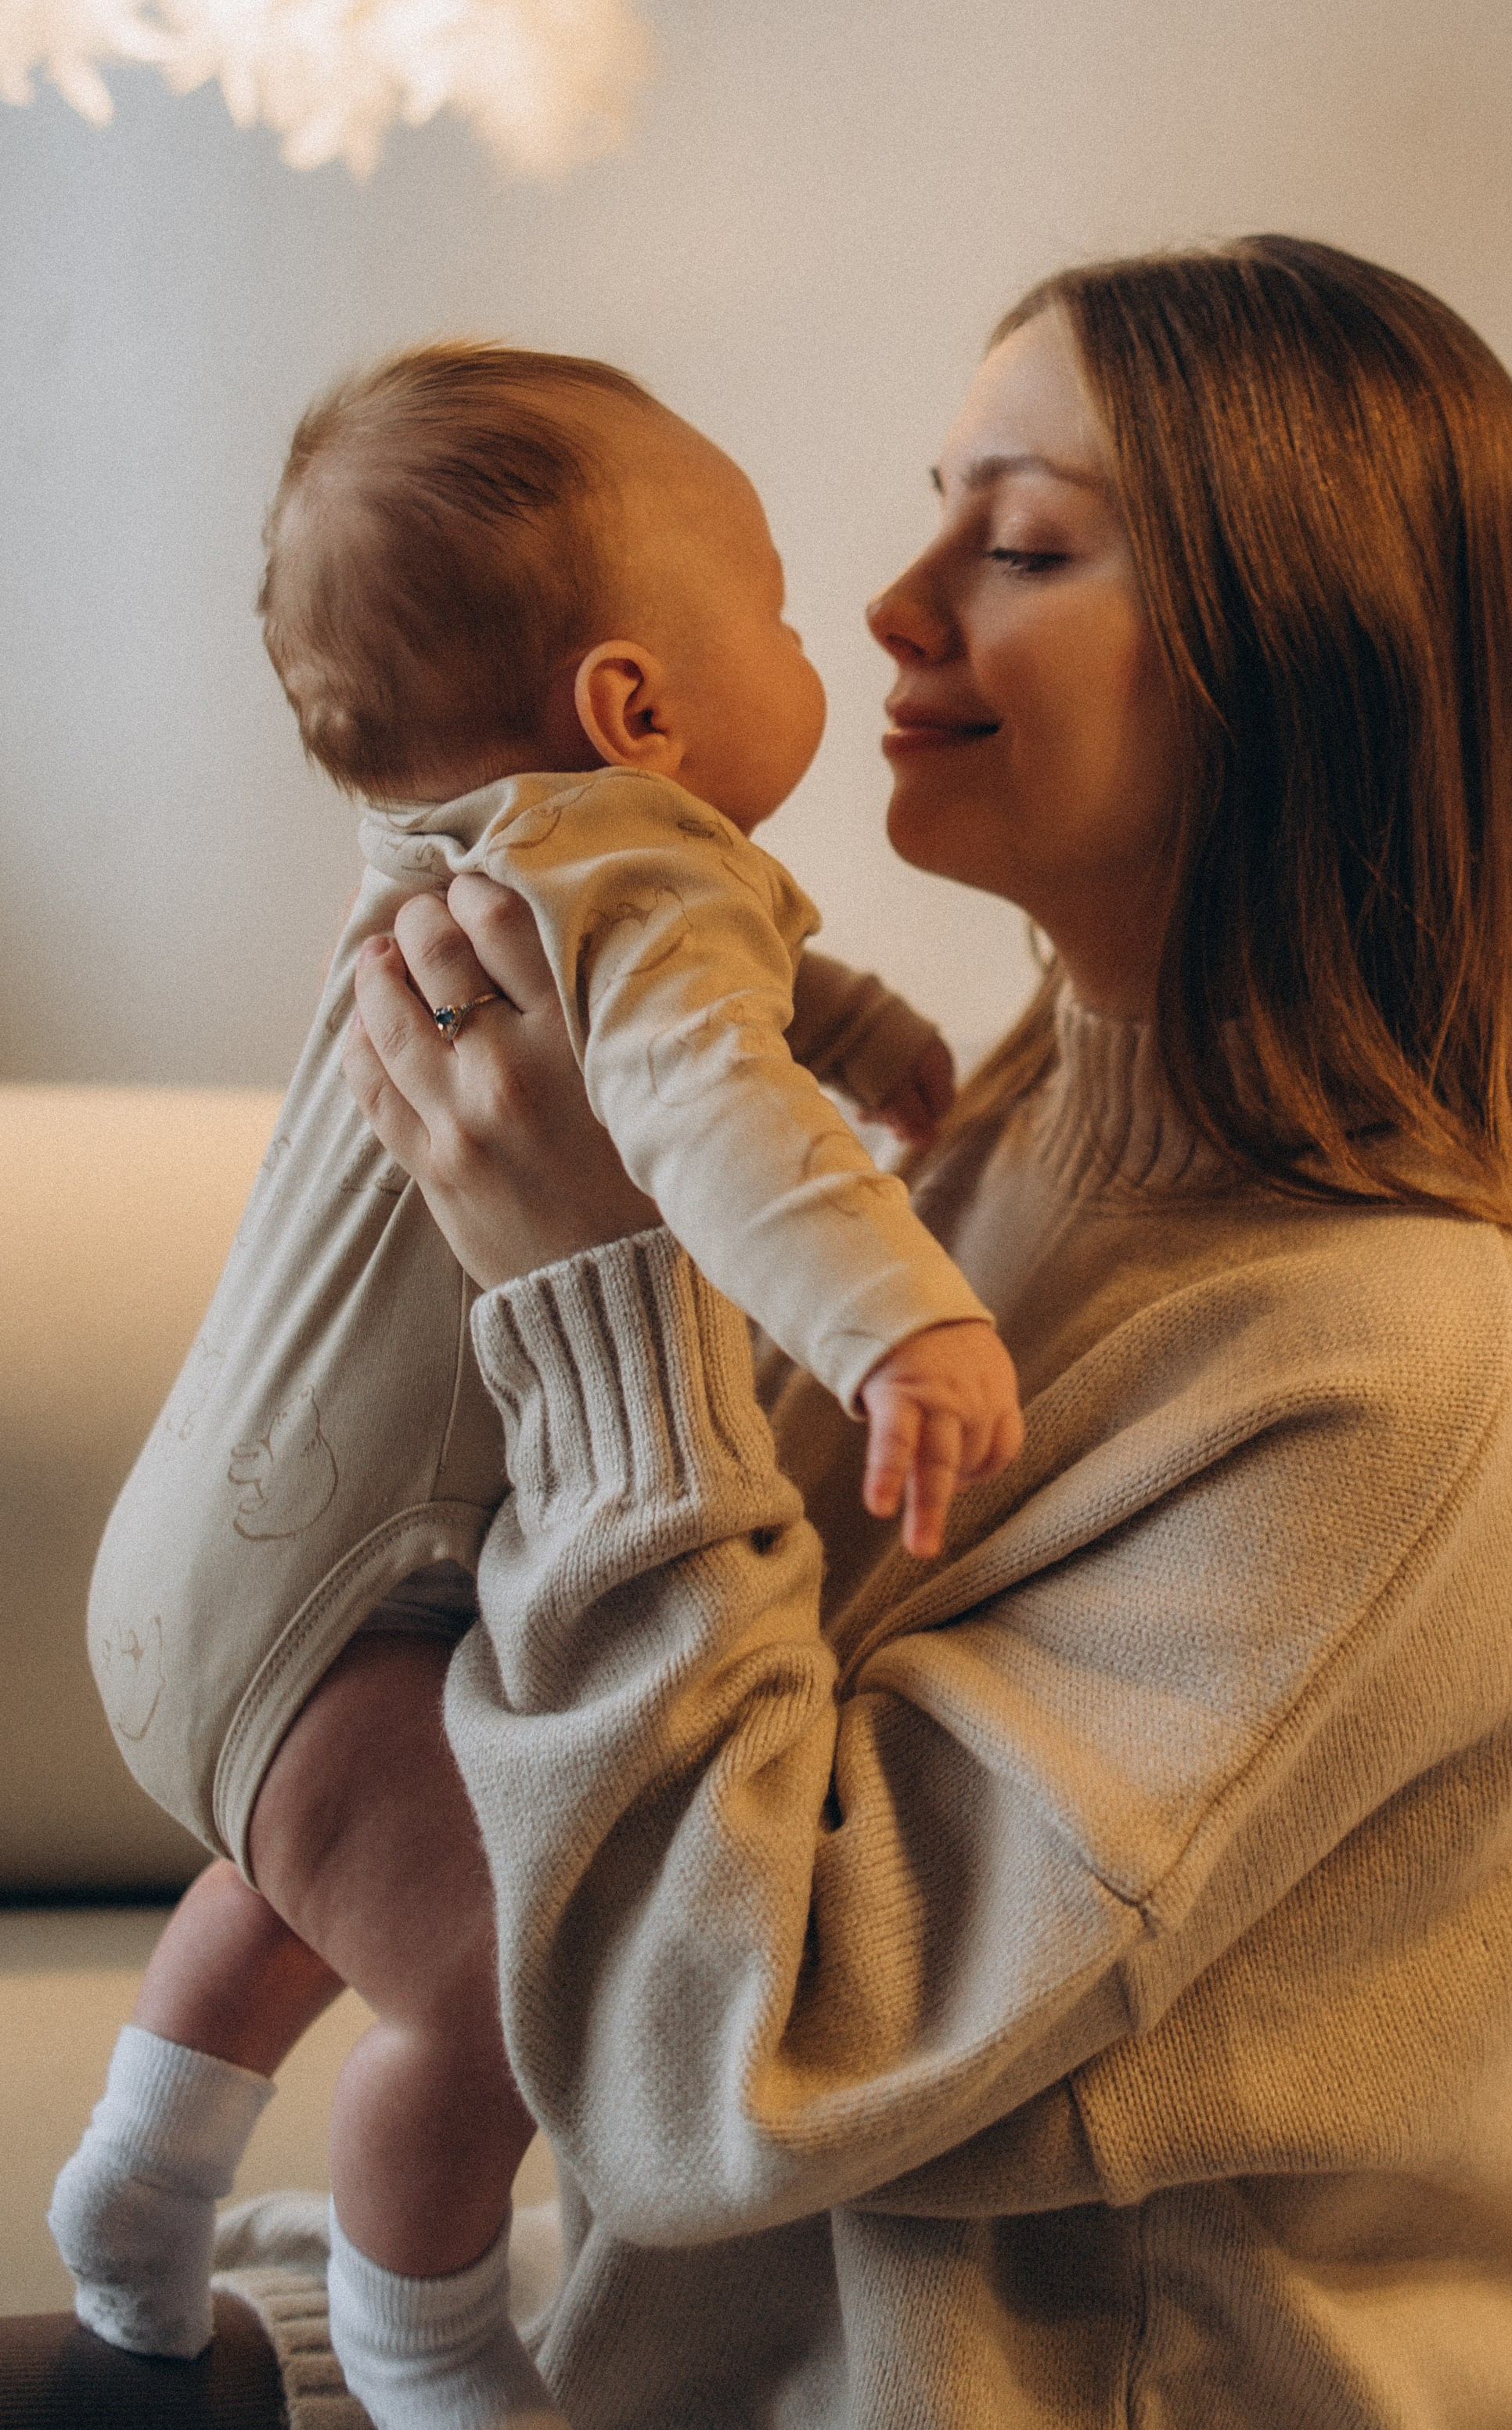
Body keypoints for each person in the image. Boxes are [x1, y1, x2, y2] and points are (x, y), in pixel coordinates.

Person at [296, 236, 1512, 2430]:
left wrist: (592, 1300)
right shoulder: (973, 1139)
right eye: (944, 507)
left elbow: (730, 2056)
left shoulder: (1401, 1373)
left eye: (1019, 539)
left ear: (1290, 659)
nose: (896, 602)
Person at [50, 346, 1021, 2430]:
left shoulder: (462, 852)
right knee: (502, 1990)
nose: (818, 628)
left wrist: (845, 1012)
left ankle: (138, 2193)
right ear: (634, 712)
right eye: (764, 603)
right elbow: (700, 1087)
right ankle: (429, 2350)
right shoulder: (637, 863)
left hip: (203, 1586)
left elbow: (696, 1006)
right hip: (337, 1610)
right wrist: (893, 1319)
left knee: (308, 1879)